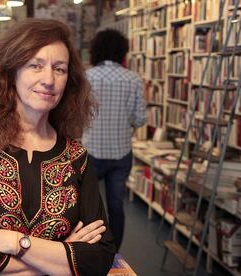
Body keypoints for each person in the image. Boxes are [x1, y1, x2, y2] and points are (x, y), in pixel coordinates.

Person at [0, 19, 116, 275]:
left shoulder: (76, 157)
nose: (48, 80)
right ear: (11, 72)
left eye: (60, 69)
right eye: (35, 65)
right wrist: (60, 257)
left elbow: (100, 257)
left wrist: (16, 243)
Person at [82, 29, 147, 251]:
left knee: (87, 205)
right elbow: (140, 119)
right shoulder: (134, 79)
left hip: (91, 152)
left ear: (96, 50)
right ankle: (114, 252)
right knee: (116, 205)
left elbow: (76, 116)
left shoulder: (87, 78)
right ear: (122, 51)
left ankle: (88, 250)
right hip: (121, 154)